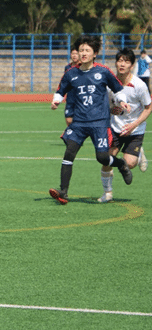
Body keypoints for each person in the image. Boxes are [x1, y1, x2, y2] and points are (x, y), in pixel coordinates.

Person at [49, 35, 133, 205]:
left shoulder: (103, 71)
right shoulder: (71, 73)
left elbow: (118, 89)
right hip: (79, 122)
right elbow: (60, 90)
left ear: (95, 53)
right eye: (81, 50)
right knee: (69, 152)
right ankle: (63, 192)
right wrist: (56, 100)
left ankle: (121, 164)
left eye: (87, 50)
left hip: (99, 122)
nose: (83, 53)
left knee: (102, 157)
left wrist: (122, 101)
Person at [98, 49, 151, 202]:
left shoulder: (139, 85)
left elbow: (148, 108)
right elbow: (105, 105)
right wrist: (111, 110)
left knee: (130, 163)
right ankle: (107, 193)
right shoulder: (109, 84)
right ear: (116, 63)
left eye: (126, 61)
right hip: (115, 127)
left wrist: (134, 124)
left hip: (135, 129)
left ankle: (138, 154)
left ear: (132, 65)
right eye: (120, 61)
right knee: (106, 159)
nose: (122, 64)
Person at [64, 42, 81, 126]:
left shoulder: (83, 66)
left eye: (76, 54)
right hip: (70, 97)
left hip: (80, 97)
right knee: (69, 120)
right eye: (73, 54)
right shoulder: (67, 67)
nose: (74, 56)